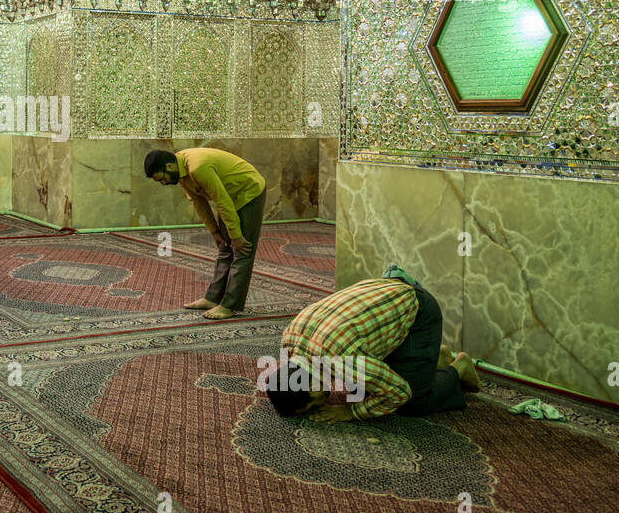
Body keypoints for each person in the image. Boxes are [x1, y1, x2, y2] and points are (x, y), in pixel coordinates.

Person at [261, 266, 480, 422]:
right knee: (364, 390)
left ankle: (458, 367)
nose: (319, 406)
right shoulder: (288, 339)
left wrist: (352, 413)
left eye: (312, 405)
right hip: (385, 290)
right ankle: (433, 360)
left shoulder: (343, 361)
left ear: (310, 386)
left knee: (412, 403)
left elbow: (399, 392)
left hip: (419, 311)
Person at [145, 147, 266, 319]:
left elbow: (222, 201)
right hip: (229, 196)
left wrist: (236, 236)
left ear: (169, 166)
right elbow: (198, 202)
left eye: (161, 179)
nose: (163, 184)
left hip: (249, 191)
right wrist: (215, 232)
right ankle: (213, 298)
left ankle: (229, 305)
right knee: (225, 247)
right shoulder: (182, 173)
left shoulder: (198, 167)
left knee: (242, 249)